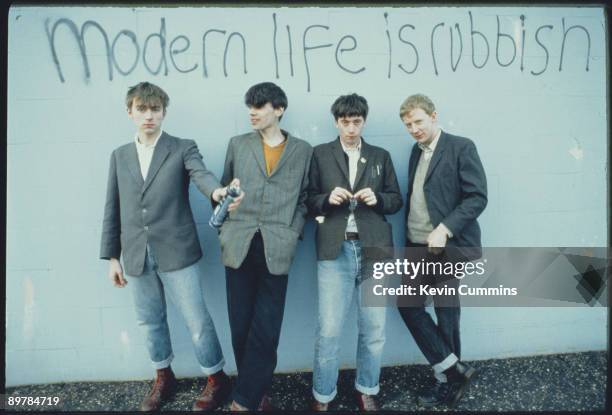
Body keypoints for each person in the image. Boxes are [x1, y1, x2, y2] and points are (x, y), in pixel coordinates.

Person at [99, 81, 242, 411]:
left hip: (176, 250)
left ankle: (216, 379)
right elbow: (112, 207)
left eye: (155, 109)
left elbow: (201, 175)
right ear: (130, 112)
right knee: (149, 320)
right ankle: (164, 376)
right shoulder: (119, 156)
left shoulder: (181, 147)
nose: (148, 116)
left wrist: (217, 193)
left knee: (197, 319)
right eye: (141, 109)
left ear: (164, 112)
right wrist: (112, 257)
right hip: (135, 253)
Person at [218, 82, 313, 411]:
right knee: (240, 323)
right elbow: (224, 187)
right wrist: (226, 224)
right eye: (250, 107)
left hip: (277, 245)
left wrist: (293, 232)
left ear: (279, 109)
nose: (252, 113)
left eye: (259, 107)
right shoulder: (238, 144)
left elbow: (304, 199)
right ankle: (255, 393)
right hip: (239, 243)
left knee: (267, 326)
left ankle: (243, 400)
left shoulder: (303, 150)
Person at [307, 94, 403, 411]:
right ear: (336, 121)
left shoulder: (380, 155)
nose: (351, 127)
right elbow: (307, 201)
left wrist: (378, 199)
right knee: (329, 329)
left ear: (364, 120)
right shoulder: (320, 155)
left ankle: (367, 389)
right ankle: (323, 395)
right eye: (345, 121)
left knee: (374, 327)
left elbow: (396, 200)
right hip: (336, 249)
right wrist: (325, 199)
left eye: (356, 121)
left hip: (374, 247)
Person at [396, 94, 487, 408]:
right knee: (408, 305)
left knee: (447, 314)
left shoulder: (462, 147)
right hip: (417, 246)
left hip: (448, 246)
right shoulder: (415, 151)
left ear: (434, 116)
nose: (414, 129)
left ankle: (448, 385)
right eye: (408, 125)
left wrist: (445, 228)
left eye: (418, 121)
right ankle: (454, 369)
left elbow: (477, 197)